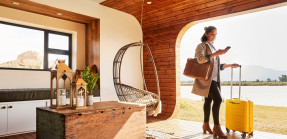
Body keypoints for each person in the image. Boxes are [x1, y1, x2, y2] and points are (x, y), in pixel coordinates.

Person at [191, 26, 239, 138]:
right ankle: (217, 127)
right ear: (207, 34)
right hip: (208, 79)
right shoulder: (201, 45)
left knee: (208, 101)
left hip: (215, 79)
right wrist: (216, 53)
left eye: (216, 34)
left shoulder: (213, 47)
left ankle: (205, 124)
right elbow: (200, 59)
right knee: (218, 99)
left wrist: (229, 65)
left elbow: (216, 65)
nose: (214, 36)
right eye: (212, 34)